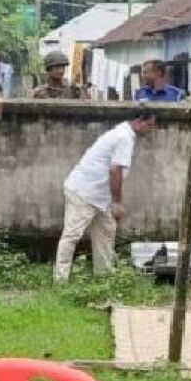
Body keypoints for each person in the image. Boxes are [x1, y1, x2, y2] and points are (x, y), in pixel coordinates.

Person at [53, 108, 157, 283]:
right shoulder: (124, 137)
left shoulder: (123, 133)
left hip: (100, 196)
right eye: (150, 125)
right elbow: (115, 170)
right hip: (84, 192)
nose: (151, 129)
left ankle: (104, 278)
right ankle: (60, 280)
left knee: (106, 233)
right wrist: (117, 202)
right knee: (72, 235)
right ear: (139, 120)